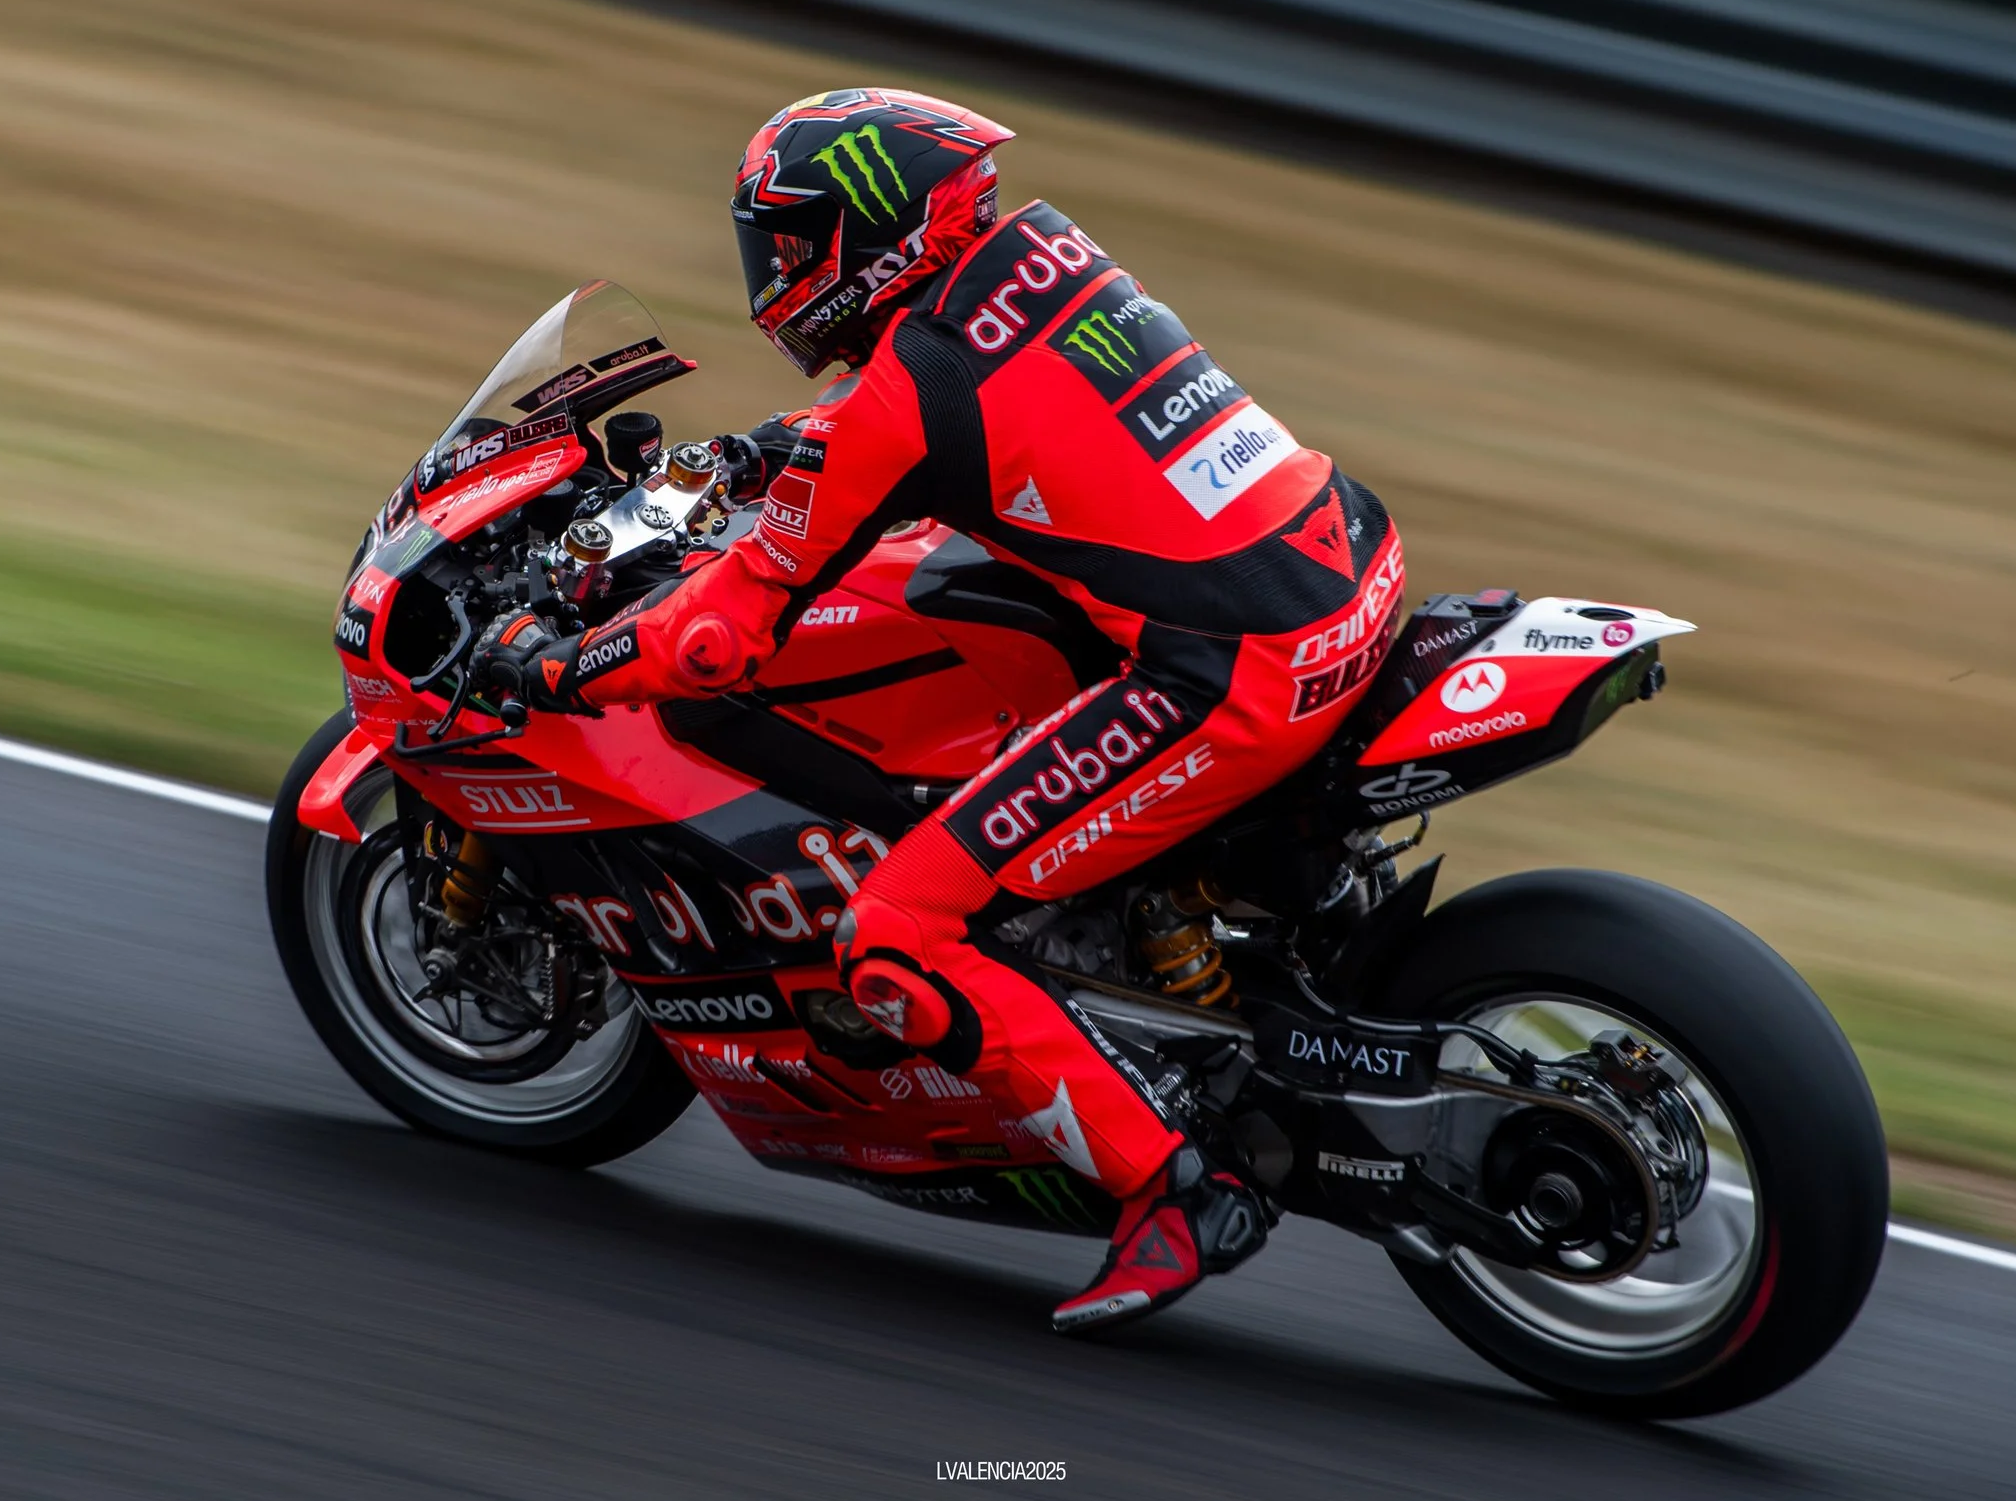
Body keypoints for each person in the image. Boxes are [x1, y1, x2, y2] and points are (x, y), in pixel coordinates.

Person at [484, 88, 1403, 1333]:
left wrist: (557, 664)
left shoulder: (910, 383)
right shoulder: (1040, 255)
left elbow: (717, 637)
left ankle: (1184, 1188)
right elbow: (979, 409)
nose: (778, 275)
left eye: (794, 244)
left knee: (900, 929)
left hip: (1233, 669)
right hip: (1343, 563)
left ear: (874, 231)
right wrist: (766, 453)